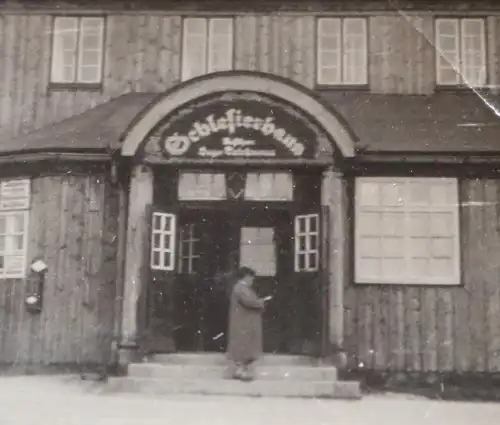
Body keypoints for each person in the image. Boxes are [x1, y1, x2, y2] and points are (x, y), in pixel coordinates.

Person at [226, 266, 270, 381]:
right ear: (246, 277)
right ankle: (240, 371)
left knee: (246, 346)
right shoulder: (241, 288)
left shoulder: (241, 288)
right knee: (243, 346)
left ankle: (241, 371)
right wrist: (261, 302)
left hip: (246, 321)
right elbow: (249, 302)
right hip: (243, 322)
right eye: (251, 278)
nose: (252, 281)